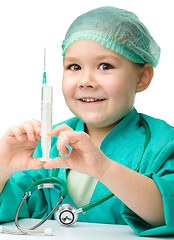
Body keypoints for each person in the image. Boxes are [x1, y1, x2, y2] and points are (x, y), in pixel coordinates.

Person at [0, 6, 174, 237]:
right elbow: (10, 208)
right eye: (74, 67)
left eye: (105, 66)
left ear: (142, 77)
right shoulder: (49, 145)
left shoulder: (163, 144)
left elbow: (168, 212)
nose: (85, 81)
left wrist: (105, 169)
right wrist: (3, 167)